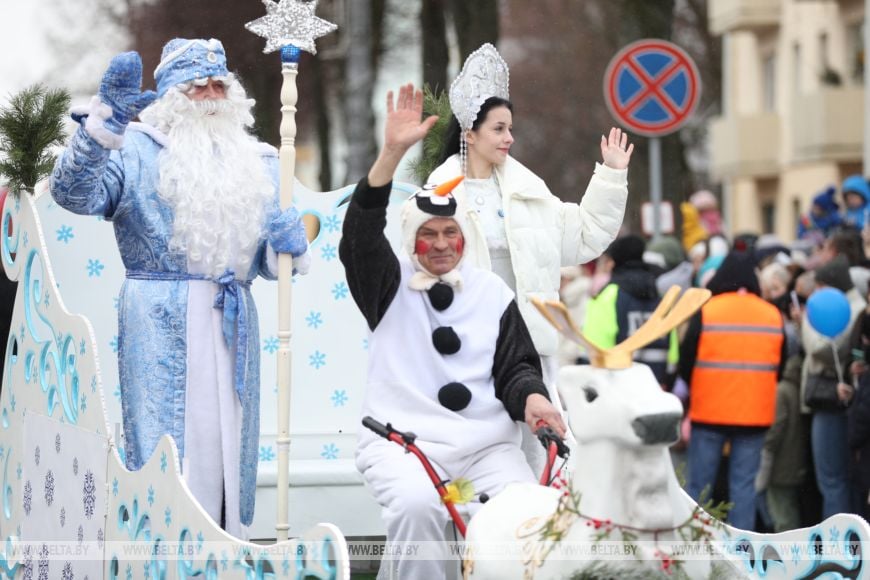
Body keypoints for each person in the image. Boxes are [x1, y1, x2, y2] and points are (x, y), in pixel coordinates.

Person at [49, 39, 310, 536]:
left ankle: (228, 545)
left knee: (228, 441)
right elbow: (73, 195)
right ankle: (166, 548)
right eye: (196, 87)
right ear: (170, 98)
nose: (211, 95)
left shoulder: (261, 161)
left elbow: (269, 264)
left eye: (219, 84)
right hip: (160, 316)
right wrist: (103, 130)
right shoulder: (136, 151)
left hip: (234, 319)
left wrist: (286, 250)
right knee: (169, 445)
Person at [339, 83, 567, 580]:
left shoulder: (491, 293)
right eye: (428, 234)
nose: (441, 244)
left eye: (450, 234)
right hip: (403, 445)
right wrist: (392, 153)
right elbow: (359, 235)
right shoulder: (388, 284)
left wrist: (533, 400)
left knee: (527, 513)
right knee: (420, 508)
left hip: (485, 451)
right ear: (411, 239)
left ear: (464, 237)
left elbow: (517, 370)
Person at [426, 43, 632, 465]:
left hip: (530, 350)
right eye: (499, 129)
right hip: (467, 349)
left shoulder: (528, 191)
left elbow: (585, 235)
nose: (509, 138)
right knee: (473, 462)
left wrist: (611, 175)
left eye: (510, 128)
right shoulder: (436, 196)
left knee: (540, 461)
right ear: (470, 132)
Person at [679, 250, 787, 531]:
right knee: (743, 488)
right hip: (755, 415)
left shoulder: (708, 310)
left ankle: (695, 550)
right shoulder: (772, 314)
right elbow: (782, 365)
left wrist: (698, 387)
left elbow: (685, 360)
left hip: (709, 412)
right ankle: (741, 559)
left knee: (699, 488)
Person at [582, 234, 678, 388]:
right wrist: (667, 379)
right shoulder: (658, 294)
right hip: (656, 387)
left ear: (613, 262)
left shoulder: (609, 295)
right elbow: (671, 344)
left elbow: (594, 348)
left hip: (619, 388)